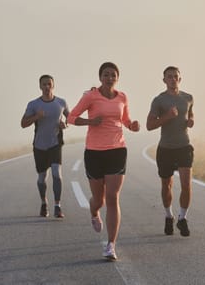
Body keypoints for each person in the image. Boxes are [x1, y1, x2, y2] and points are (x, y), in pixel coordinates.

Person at [67, 62, 140, 261]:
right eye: (106, 74)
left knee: (113, 197)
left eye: (113, 75)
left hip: (117, 150)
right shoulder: (90, 96)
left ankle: (111, 245)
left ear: (117, 77)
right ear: (100, 77)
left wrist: (132, 125)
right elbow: (71, 118)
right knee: (99, 199)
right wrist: (90, 121)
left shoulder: (122, 96)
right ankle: (93, 212)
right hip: (94, 152)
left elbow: (125, 119)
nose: (109, 78)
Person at [146, 66, 194, 237]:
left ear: (180, 79)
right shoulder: (159, 101)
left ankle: (182, 218)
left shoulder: (188, 98)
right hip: (165, 148)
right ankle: (168, 215)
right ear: (164, 80)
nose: (173, 79)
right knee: (167, 185)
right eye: (169, 77)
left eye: (176, 76)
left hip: (184, 146)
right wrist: (167, 117)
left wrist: (191, 121)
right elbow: (149, 125)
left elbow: (190, 115)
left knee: (186, 185)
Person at [21, 74, 69, 218]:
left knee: (57, 175)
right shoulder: (33, 104)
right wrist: (36, 117)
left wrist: (65, 125)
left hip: (55, 144)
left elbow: (70, 117)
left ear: (53, 85)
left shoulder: (61, 102)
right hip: (40, 146)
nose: (47, 87)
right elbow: (23, 124)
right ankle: (44, 203)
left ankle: (57, 206)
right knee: (42, 178)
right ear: (40, 86)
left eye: (49, 84)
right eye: (44, 84)